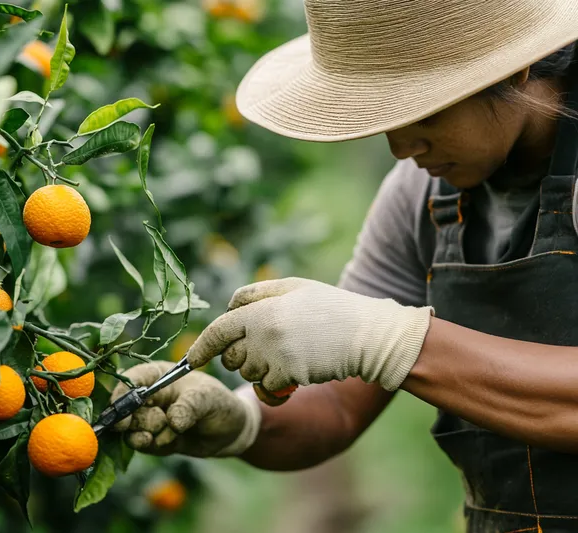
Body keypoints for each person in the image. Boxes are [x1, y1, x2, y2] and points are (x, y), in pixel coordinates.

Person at [111, 1, 578, 531]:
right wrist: (240, 422)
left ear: (511, 64)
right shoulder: (422, 197)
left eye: (424, 111)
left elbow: (373, 345)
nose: (401, 147)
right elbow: (336, 408)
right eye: (383, 117)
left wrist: (387, 341)